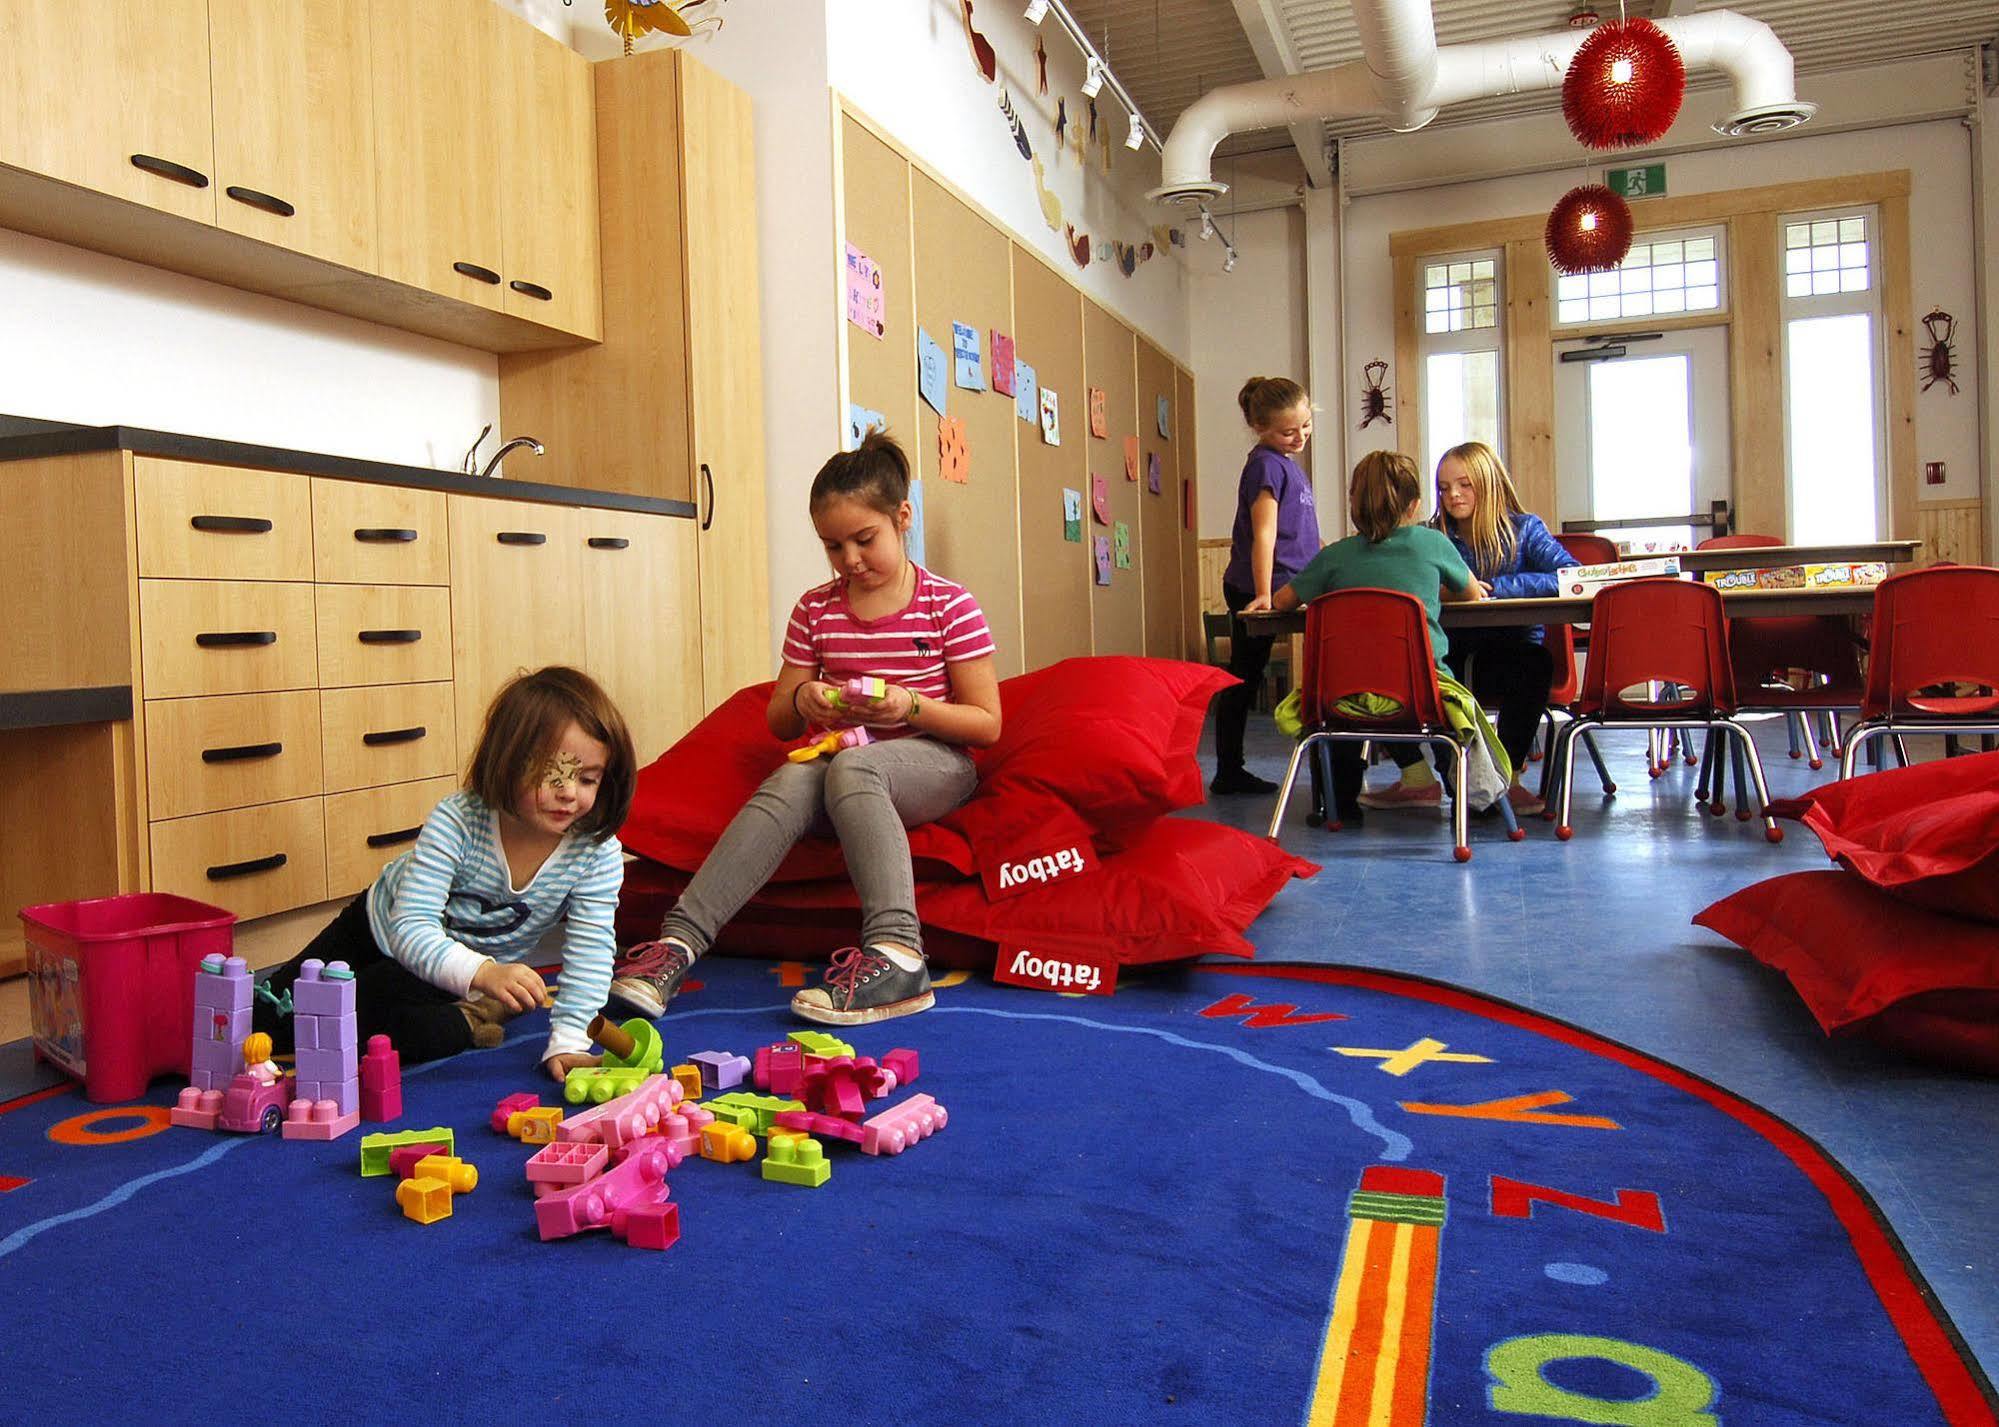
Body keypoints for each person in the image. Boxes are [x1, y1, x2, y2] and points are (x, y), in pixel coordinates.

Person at [610, 429, 1002, 1028]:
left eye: (864, 539)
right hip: (844, 759)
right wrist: (806, 698)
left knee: (854, 765)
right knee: (793, 780)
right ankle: (677, 946)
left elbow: (986, 724)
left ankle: (900, 953)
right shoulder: (816, 609)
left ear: (902, 518)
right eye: (833, 546)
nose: (850, 560)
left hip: (935, 762)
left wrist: (909, 708)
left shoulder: (948, 605)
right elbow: (779, 718)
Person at [251, 666, 636, 1082]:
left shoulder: (596, 852)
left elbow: (591, 950)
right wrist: (485, 974)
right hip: (381, 931)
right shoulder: (459, 820)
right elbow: (412, 928)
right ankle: (473, 1009)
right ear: (508, 761)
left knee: (366, 1030)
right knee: (271, 1021)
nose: (569, 792)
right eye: (554, 773)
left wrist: (570, 1041)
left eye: (588, 779)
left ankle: (466, 1015)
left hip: (451, 972)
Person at [1248, 450, 1483, 823]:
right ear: (1416, 504)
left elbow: (1283, 600)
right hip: (1422, 691)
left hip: (1343, 696)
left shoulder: (1334, 557)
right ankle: (1464, 798)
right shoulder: (1433, 544)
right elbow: (1472, 593)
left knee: (1334, 712)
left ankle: (1337, 807)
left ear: (1353, 504)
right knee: (1445, 709)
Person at [1360, 441, 1567, 816]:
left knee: (1536, 663)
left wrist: (1495, 588)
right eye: (1442, 487)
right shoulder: (1430, 534)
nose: (1452, 495)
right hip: (1446, 656)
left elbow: (1570, 575)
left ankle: (1507, 778)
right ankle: (1416, 776)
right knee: (1387, 666)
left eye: (1464, 484)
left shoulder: (1525, 529)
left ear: (1489, 483)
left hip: (1508, 654)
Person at [1209, 376, 1322, 796]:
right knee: (1243, 677)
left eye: (1306, 426)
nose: (1300, 437)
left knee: (1247, 674)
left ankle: (1230, 768)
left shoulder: (1285, 464)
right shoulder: (1265, 464)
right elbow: (1265, 533)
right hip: (1259, 587)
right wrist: (1261, 593)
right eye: (1288, 431)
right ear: (1260, 427)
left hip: (1285, 586)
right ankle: (1228, 769)